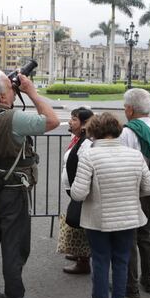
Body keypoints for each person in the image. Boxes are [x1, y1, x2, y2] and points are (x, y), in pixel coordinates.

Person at [0, 69, 59, 298]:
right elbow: (53, 120)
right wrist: (31, 91)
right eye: (10, 89)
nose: (14, 90)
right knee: (14, 247)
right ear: (1, 96)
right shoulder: (13, 118)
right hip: (13, 192)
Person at [71, 113, 150, 298]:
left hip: (98, 219)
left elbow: (78, 194)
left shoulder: (90, 156)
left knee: (100, 261)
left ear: (94, 131)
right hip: (128, 218)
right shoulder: (135, 155)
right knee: (121, 261)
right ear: (117, 130)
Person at [120, 88, 150, 297]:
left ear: (129, 109)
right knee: (146, 235)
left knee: (129, 238)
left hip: (131, 191)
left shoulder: (127, 132)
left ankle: (131, 285)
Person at [58, 107, 94, 275]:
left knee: (81, 222)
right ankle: (80, 254)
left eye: (74, 119)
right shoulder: (78, 138)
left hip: (80, 190)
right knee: (79, 222)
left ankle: (84, 260)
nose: (70, 122)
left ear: (85, 124)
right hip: (74, 188)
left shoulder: (87, 143)